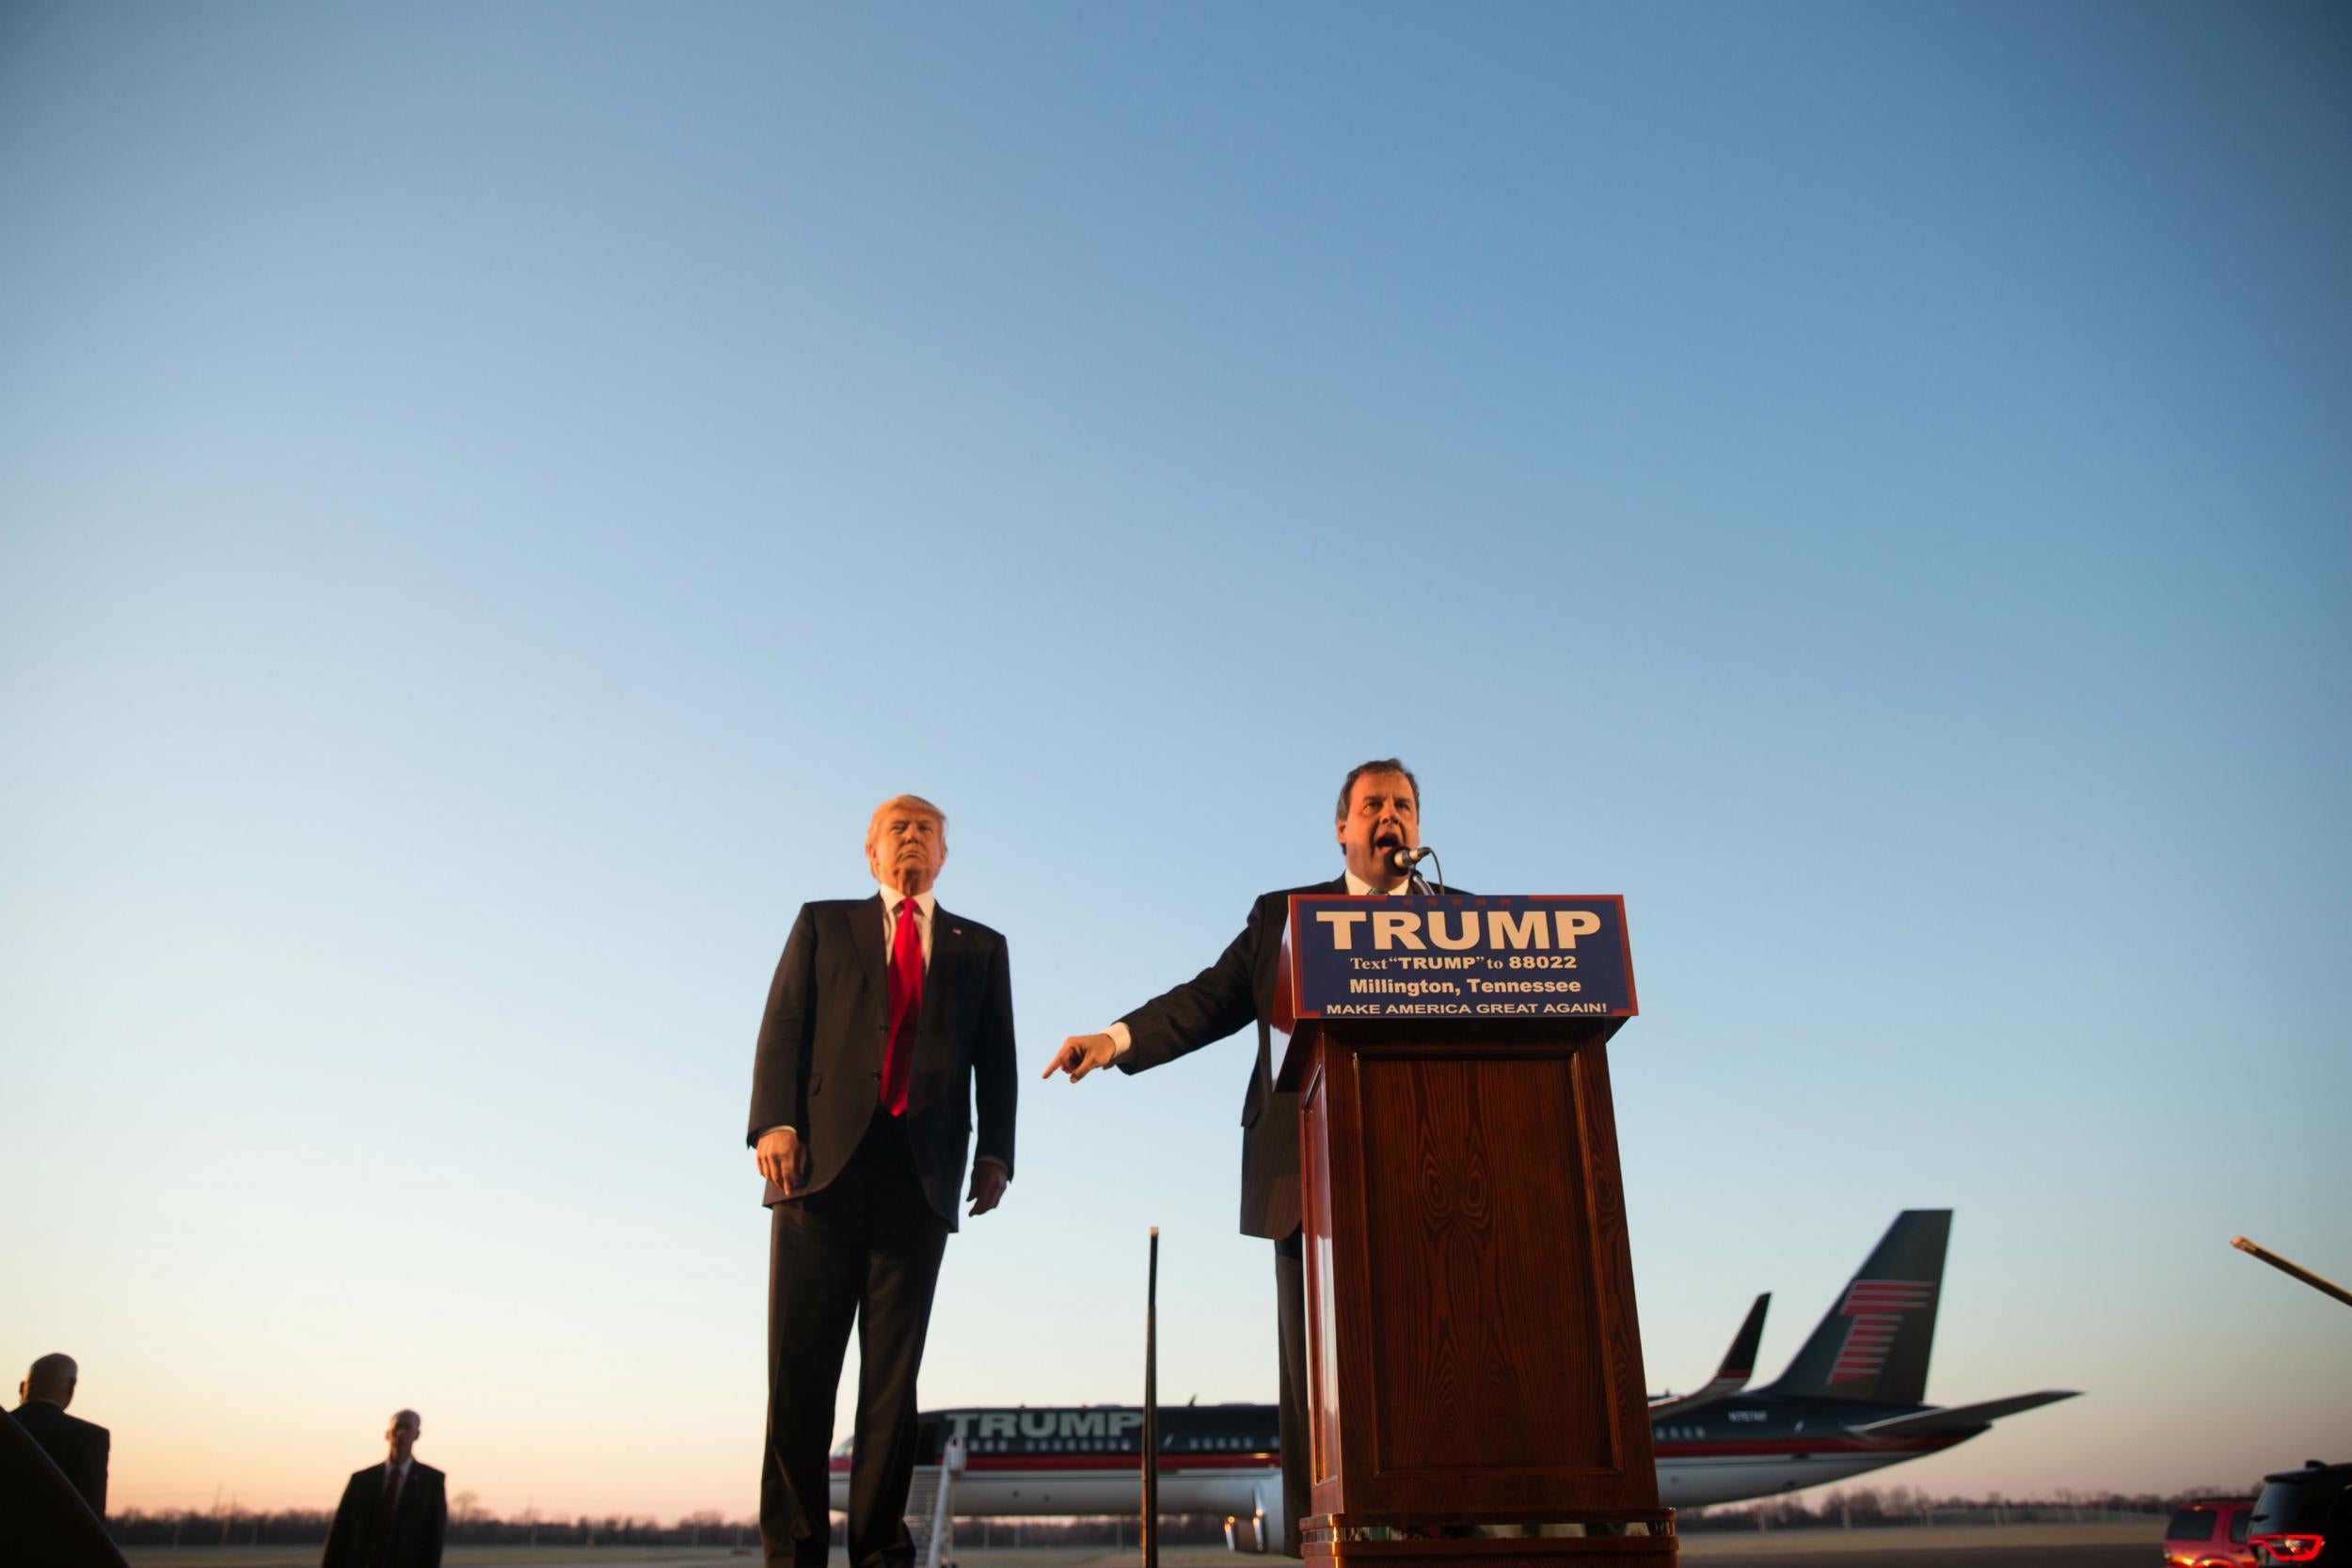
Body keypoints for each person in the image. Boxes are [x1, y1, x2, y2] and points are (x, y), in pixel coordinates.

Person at [1042, 758, 1440, 1557]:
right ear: (1342, 827)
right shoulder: (1284, 917)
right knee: (1317, 1381)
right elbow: (1208, 1001)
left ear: (1419, 829)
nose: (1388, 816)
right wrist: (1114, 1040)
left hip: (1433, 1178)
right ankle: (1321, 1547)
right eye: (1373, 805)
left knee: (1436, 1366)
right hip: (1308, 1172)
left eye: (1402, 805)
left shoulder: (1463, 922)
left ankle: (1438, 1533)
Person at [749, 793, 1017, 1568]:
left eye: (925, 829)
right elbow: (785, 1026)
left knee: (891, 1388)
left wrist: (996, 1151)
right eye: (897, 827)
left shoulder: (981, 947)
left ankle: (880, 1552)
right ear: (871, 853)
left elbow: (995, 1060)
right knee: (799, 1375)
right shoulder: (822, 922)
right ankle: (793, 1550)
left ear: (943, 854)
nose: (912, 837)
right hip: (816, 1177)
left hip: (920, 1182)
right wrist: (775, 1121)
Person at [320, 1408, 445, 1568]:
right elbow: (339, 1534)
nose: (400, 1434)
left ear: (417, 1435)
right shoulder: (362, 1480)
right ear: (387, 1434)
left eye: (407, 1428)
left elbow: (433, 1540)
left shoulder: (431, 1481)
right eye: (396, 1428)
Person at [13, 1353, 108, 1514]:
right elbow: (92, 1515)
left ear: (22, 1387)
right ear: (71, 1387)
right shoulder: (90, 1438)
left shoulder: (9, 1427)